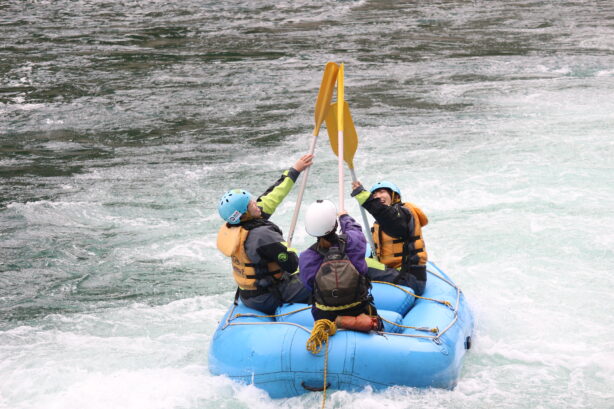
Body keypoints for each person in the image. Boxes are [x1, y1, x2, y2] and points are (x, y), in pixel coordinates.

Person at [216, 154, 313, 314]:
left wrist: (295, 170)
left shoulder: (237, 225)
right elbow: (292, 264)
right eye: (251, 204)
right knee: (319, 275)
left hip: (249, 295)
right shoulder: (262, 235)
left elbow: (273, 196)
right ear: (245, 213)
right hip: (268, 297)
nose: (255, 203)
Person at [299, 200, 382, 332]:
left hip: (325, 318)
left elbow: (310, 286)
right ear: (335, 224)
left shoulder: (306, 257)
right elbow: (355, 229)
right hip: (359, 310)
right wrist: (344, 217)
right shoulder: (354, 241)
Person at [351, 180, 428, 295]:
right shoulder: (379, 224)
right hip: (393, 273)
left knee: (355, 264)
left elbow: (389, 218)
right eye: (375, 194)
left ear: (394, 195)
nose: (378, 196)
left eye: (382, 192)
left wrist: (365, 197)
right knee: (352, 261)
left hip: (409, 278)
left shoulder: (403, 213)